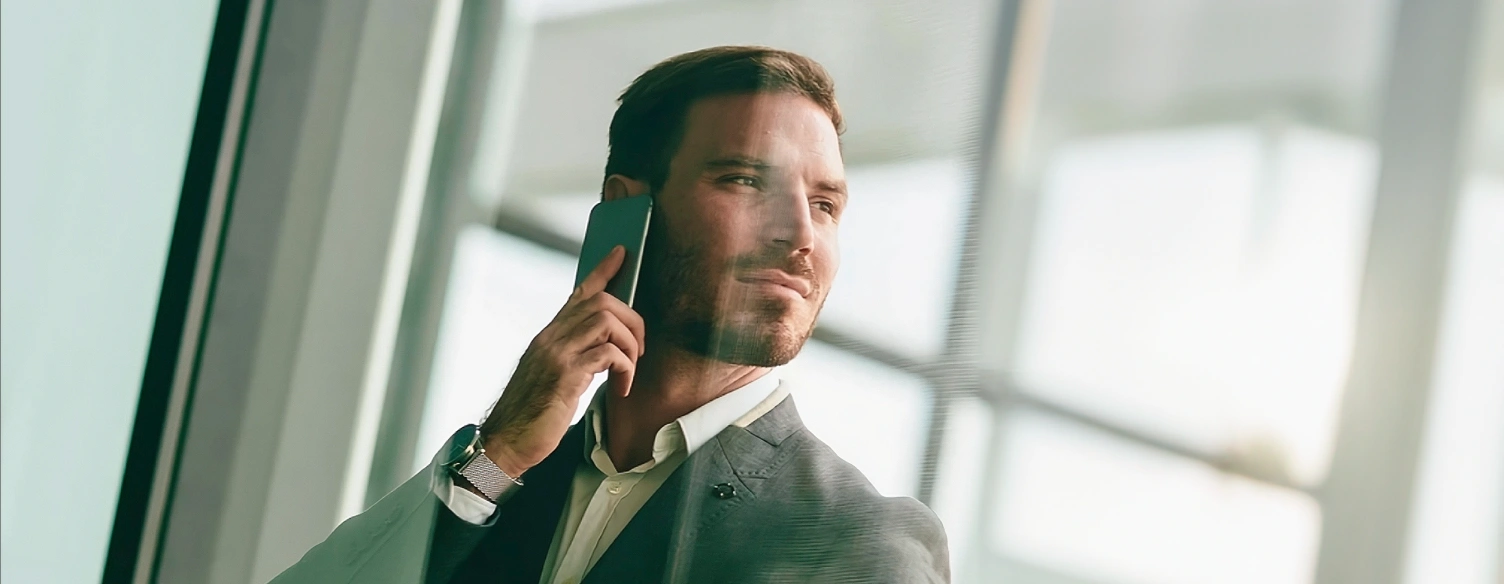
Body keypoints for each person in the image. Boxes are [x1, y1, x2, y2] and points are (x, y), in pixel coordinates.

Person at [272, 45, 949, 584]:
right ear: (628, 211)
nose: (801, 234)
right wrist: (498, 454)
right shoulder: (502, 483)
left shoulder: (860, 544)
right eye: (747, 181)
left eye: (826, 205)